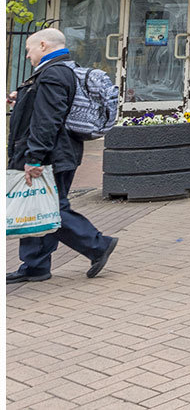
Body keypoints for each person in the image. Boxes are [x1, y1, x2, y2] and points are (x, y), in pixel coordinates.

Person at [7, 28, 117, 284]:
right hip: (56, 152)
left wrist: (34, 158)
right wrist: (21, 97)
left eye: (29, 50)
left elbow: (48, 119)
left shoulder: (53, 73)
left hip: (50, 156)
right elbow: (46, 108)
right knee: (38, 207)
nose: (27, 56)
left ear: (43, 45)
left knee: (52, 209)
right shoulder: (60, 70)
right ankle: (35, 266)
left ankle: (98, 245)